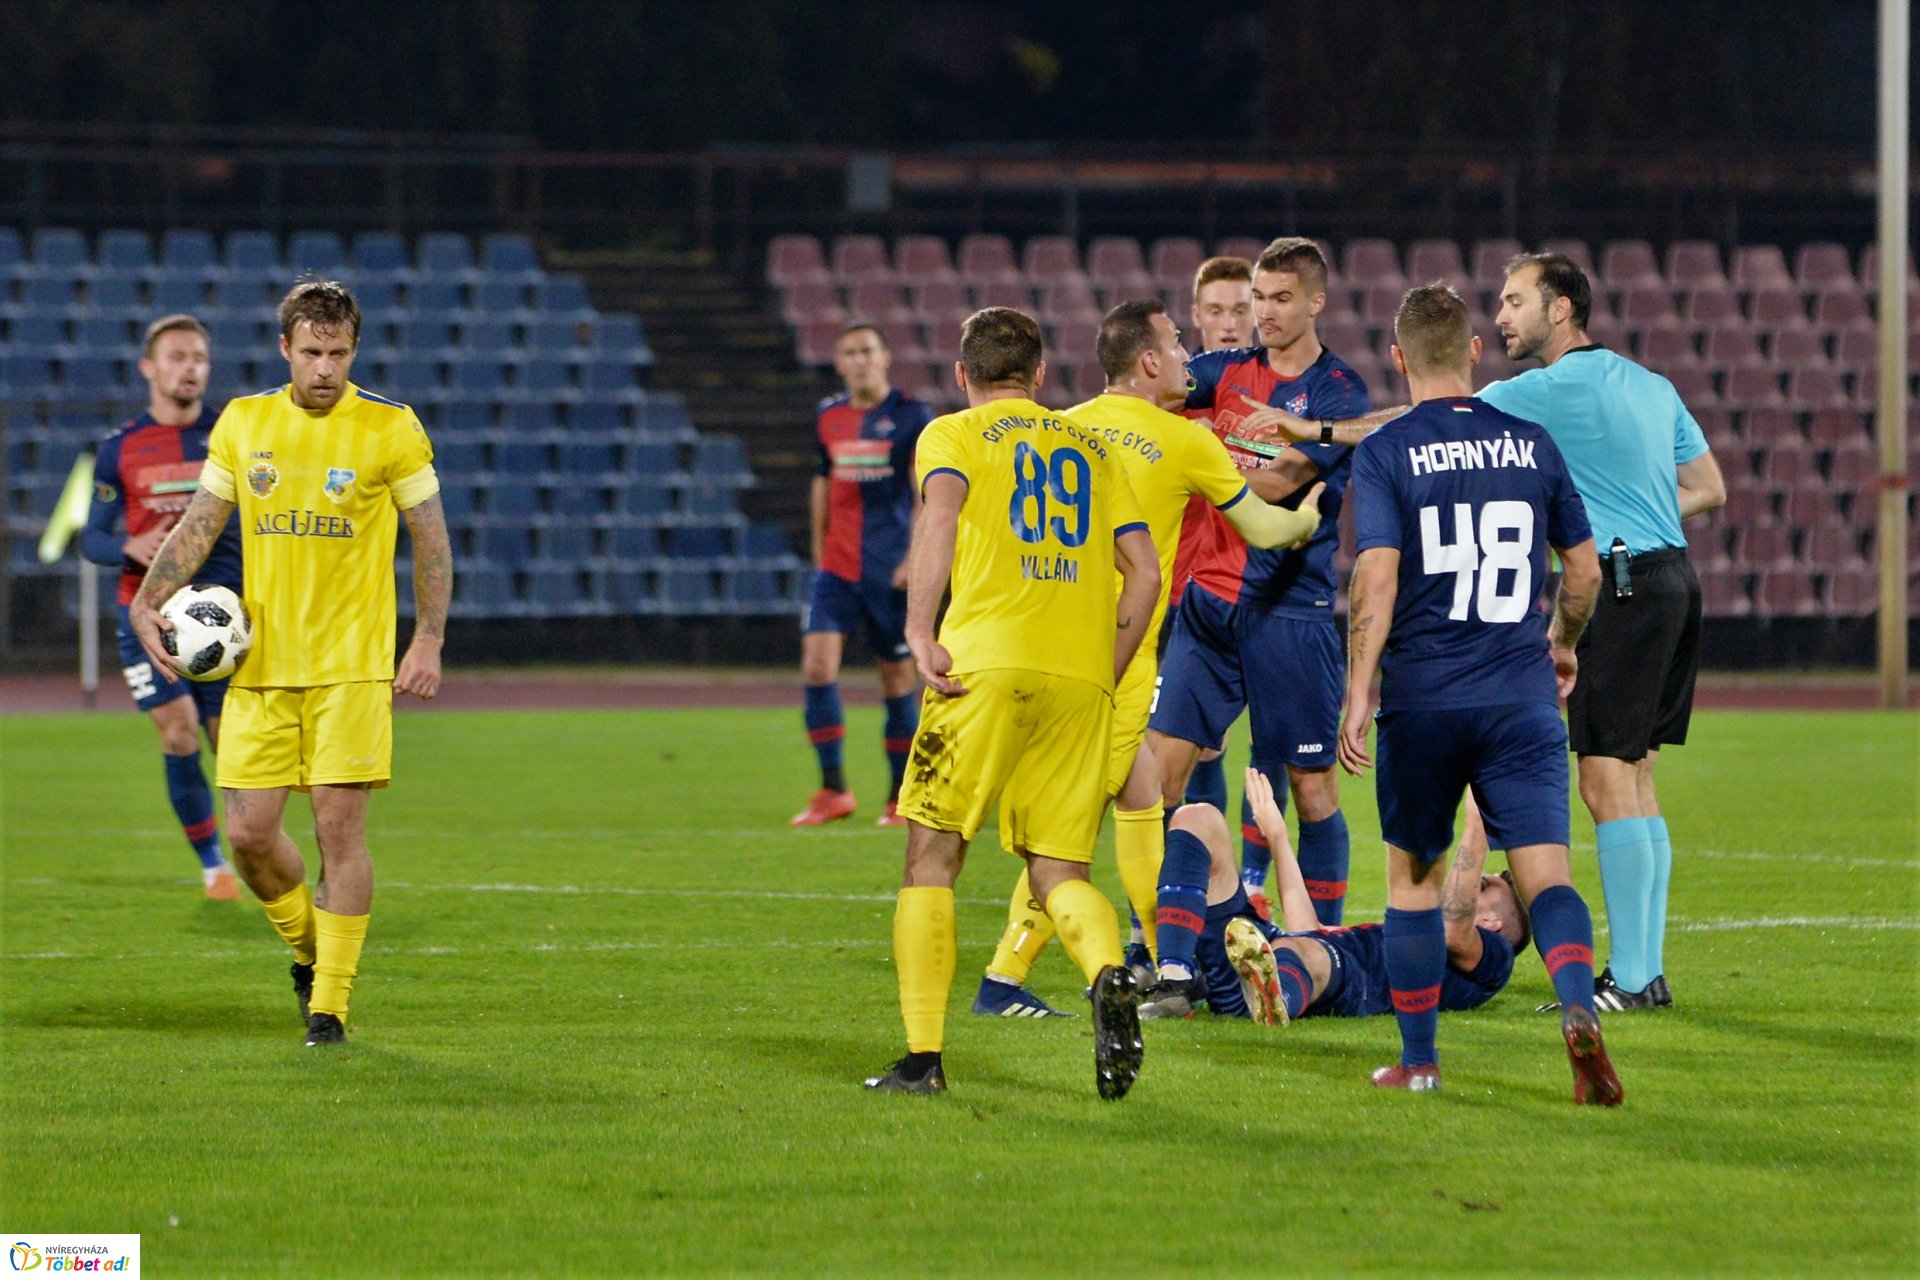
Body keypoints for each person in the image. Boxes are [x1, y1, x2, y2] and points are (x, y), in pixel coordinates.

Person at [1256, 253, 1726, 1011]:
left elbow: (1420, 420)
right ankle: (1644, 968)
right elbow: (1708, 488)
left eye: (1516, 301)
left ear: (1563, 309)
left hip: (1617, 584)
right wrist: (1627, 503)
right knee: (1636, 777)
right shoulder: (1651, 384)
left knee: (1605, 781)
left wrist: (1315, 429)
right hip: (1672, 580)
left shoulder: (1533, 393)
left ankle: (1634, 979)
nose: (1502, 316)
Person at [972, 299, 1323, 1018]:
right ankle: (1003, 979)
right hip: (1115, 661)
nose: (1190, 356)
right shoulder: (1181, 440)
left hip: (1040, 641)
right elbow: (1264, 527)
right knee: (1071, 824)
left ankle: (1171, 963)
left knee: (1137, 797)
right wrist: (1318, 510)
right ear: (1150, 361)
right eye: (1178, 343)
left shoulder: (1058, 428)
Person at [129, 280, 453, 1048]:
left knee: (339, 832)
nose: (325, 369)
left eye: (339, 354)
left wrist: (429, 637)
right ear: (285, 348)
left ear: (354, 350)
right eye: (311, 353)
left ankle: (330, 1011)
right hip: (261, 668)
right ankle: (312, 952)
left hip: (351, 668)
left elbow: (431, 541)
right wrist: (150, 600)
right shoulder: (246, 423)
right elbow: (200, 525)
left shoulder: (390, 428)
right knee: (248, 836)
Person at [865, 306, 1159, 1098]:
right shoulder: (1094, 448)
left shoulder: (952, 436)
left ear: (963, 376)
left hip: (982, 668)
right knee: (1059, 866)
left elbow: (939, 515)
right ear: (1038, 377)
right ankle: (1106, 975)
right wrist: (1105, 665)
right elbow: (1146, 574)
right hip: (1079, 679)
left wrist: (919, 629)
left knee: (932, 855)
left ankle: (923, 1060)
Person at [1338, 281, 1620, 1102]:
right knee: (1549, 880)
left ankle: (1420, 1063)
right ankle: (1576, 1008)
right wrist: (1561, 644)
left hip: (1424, 698)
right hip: (1520, 695)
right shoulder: (1532, 444)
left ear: (1398, 360)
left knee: (1413, 887)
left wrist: (1360, 690)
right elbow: (1584, 569)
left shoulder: (1387, 451)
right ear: (1472, 351)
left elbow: (1377, 574)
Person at [1142, 236, 1369, 1019]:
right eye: (1256, 299)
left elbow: (1279, 484)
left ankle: (1322, 944)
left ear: (1314, 301)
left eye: (1277, 299)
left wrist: (1201, 453)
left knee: (1309, 789)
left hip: (1289, 616)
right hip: (1205, 611)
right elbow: (1149, 408)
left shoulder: (1338, 394)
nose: (1262, 315)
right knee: (1157, 777)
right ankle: (1166, 960)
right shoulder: (1222, 372)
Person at [80, 314, 245, 900]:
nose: (190, 367)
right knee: (178, 734)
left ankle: (252, 846)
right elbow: (90, 537)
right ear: (150, 368)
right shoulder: (119, 448)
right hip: (147, 617)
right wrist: (127, 544)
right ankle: (212, 865)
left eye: (199, 357)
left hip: (226, 618)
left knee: (233, 745)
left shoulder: (235, 434)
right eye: (177, 356)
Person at [1147, 771, 1525, 1025]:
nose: (1472, 882)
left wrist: (1477, 830)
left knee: (1302, 953)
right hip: (1279, 950)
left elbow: (1454, 932)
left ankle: (1275, 1000)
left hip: (1343, 978)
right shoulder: (1404, 931)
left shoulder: (1495, 960)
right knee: (1198, 819)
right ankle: (1176, 981)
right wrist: (1278, 836)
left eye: (1484, 887)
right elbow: (1307, 929)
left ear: (1491, 925)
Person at [793, 324, 934, 828]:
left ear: (885, 356)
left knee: (896, 679)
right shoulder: (828, 416)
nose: (859, 360)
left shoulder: (912, 416)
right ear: (839, 362)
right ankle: (833, 790)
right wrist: (818, 550)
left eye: (867, 351)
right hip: (836, 568)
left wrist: (912, 559)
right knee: (816, 666)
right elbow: (821, 483)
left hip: (887, 569)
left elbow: (925, 494)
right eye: (850, 353)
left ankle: (899, 797)